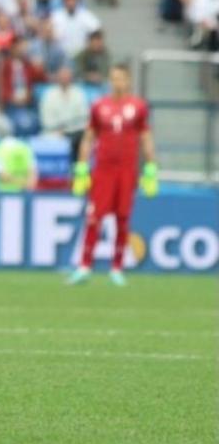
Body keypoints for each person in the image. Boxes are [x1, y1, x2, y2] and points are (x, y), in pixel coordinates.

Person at [69, 64, 157, 287]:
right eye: (114, 78)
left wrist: (151, 168)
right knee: (94, 217)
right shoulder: (100, 106)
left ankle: (117, 268)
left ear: (128, 81)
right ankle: (84, 266)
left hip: (127, 171)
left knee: (122, 218)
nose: (117, 82)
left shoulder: (138, 107)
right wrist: (81, 167)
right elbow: (89, 137)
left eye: (121, 79)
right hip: (103, 170)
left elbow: (146, 137)